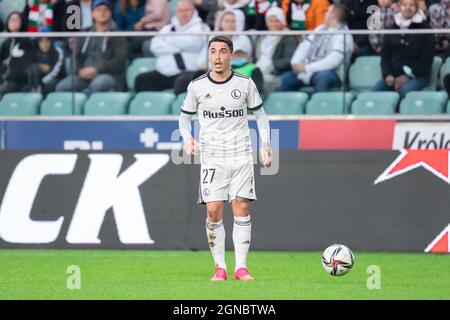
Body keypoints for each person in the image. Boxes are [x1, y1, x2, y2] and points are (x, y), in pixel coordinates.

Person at [178, 36, 272, 282]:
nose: (217, 57)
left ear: (231, 55)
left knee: (241, 206)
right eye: (213, 51)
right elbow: (184, 118)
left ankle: (241, 268)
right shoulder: (197, 86)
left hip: (241, 154)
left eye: (222, 51)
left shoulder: (245, 83)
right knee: (214, 211)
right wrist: (187, 139)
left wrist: (266, 144)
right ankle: (220, 267)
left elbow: (260, 115)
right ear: (209, 55)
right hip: (212, 157)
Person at [135, 0, 209, 92]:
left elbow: (194, 43)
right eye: (181, 11)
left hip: (188, 72)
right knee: (142, 79)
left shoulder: (202, 28)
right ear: (176, 12)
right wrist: (182, 46)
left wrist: (168, 40)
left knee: (182, 82)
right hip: (164, 73)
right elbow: (155, 46)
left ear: (194, 12)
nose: (183, 13)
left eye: (187, 10)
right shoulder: (167, 28)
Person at [55, 0, 127, 94]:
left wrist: (96, 70)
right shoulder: (84, 32)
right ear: (92, 13)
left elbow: (119, 60)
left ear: (110, 13)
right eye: (98, 10)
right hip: (84, 74)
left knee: (97, 85)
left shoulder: (117, 34)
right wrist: (79, 70)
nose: (102, 13)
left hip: (107, 74)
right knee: (61, 87)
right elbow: (75, 55)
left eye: (105, 10)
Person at [278, 4, 353, 92]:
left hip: (330, 73)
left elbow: (333, 61)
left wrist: (307, 68)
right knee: (283, 80)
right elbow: (304, 46)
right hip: (307, 70)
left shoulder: (344, 35)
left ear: (333, 15)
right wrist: (295, 63)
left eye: (327, 12)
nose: (325, 14)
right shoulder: (321, 28)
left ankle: (320, 104)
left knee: (322, 77)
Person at [372, 0, 435, 98]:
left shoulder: (426, 29)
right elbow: (385, 56)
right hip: (394, 76)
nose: (408, 7)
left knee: (405, 90)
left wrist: (408, 77)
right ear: (399, 7)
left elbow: (426, 59)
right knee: (377, 90)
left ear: (417, 7)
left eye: (411, 5)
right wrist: (388, 75)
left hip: (418, 76)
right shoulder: (392, 29)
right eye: (404, 4)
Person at [256, 7, 297, 93]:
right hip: (259, 70)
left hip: (278, 72)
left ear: (282, 22)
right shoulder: (262, 37)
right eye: (271, 21)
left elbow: (289, 59)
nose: (273, 24)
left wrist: (274, 66)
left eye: (276, 21)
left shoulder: (289, 37)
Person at [0, 12, 35, 94]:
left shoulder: (26, 42)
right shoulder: (5, 43)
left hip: (16, 82)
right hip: (3, 81)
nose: (13, 21)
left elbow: (26, 65)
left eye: (16, 19)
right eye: (11, 19)